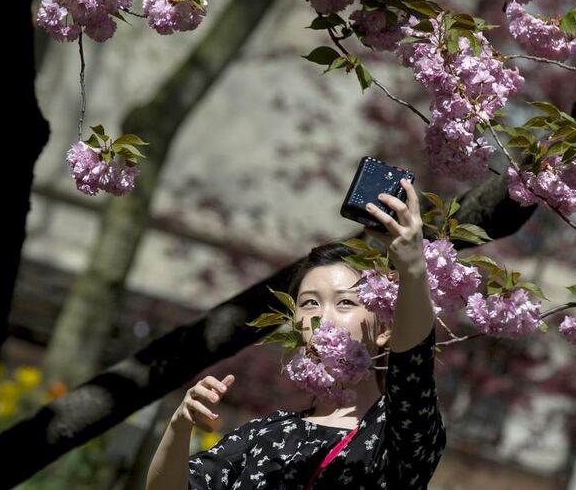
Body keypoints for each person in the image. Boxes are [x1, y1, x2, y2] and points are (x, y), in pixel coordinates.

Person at [146, 179, 446, 489]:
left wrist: (411, 266)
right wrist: (179, 428)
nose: (322, 317)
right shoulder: (264, 434)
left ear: (385, 328)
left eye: (345, 302)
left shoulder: (397, 433)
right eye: (309, 303)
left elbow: (413, 362)